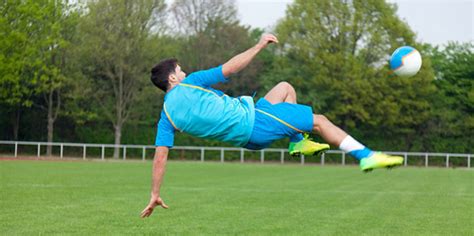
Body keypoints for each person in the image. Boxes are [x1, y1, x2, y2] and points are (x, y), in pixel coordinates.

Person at [140, 34, 403, 218]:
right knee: (320, 121)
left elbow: (160, 158)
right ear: (173, 77)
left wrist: (155, 193)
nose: (184, 72)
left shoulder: (166, 116)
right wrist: (258, 46)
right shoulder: (191, 82)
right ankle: (366, 157)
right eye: (180, 70)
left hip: (250, 131)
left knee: (285, 88)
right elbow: (230, 68)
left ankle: (297, 142)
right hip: (255, 123)